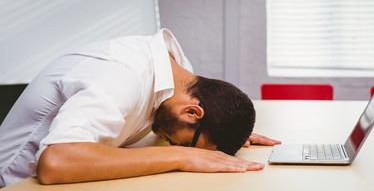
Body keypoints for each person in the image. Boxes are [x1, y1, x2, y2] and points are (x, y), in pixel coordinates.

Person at [0, 28, 280, 187]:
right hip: (14, 184)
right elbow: (56, 162)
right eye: (181, 143)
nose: (173, 144)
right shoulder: (122, 77)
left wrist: (227, 130)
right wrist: (182, 156)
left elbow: (177, 124)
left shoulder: (178, 79)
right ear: (192, 112)